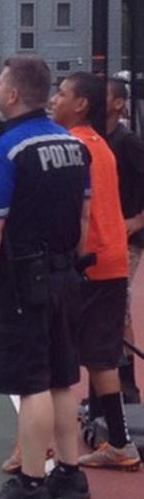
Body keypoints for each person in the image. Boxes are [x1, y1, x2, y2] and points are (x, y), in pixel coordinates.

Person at [0, 57, 91, 499]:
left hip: (25, 281)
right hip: (67, 275)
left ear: (13, 94)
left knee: (32, 383)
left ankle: (32, 483)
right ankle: (70, 473)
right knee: (60, 376)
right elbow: (84, 218)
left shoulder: (8, 150)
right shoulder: (74, 144)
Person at [51, 71, 141, 471]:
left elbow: (76, 212)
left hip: (88, 265)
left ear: (81, 104)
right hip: (112, 263)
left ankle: (37, 448)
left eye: (63, 93)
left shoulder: (73, 146)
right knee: (102, 360)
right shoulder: (100, 145)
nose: (56, 99)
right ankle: (120, 444)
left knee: (53, 357)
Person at [106, 78, 144, 403]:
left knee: (118, 308)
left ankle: (129, 390)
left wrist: (139, 219)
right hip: (103, 239)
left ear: (118, 104)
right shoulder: (97, 138)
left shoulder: (127, 141)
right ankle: (107, 390)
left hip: (128, 240)